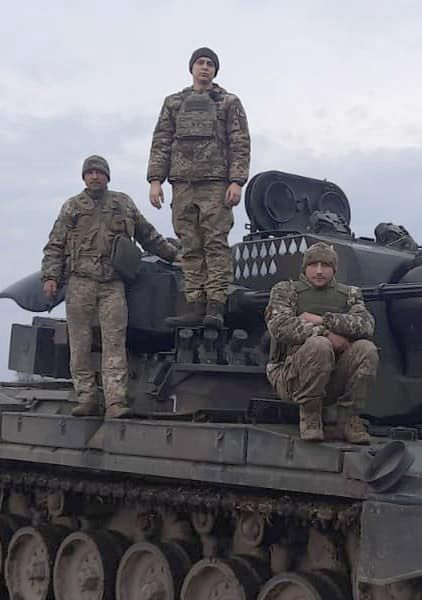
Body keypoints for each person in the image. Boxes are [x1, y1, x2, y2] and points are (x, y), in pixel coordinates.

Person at [42, 155, 178, 418]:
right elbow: (55, 245)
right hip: (80, 283)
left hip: (112, 285)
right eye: (90, 172)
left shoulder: (122, 203)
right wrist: (50, 278)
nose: (95, 176)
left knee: (115, 345)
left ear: (107, 176)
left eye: (99, 172)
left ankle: (116, 402)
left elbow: (148, 236)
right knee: (80, 346)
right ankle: (87, 398)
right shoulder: (72, 207)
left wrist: (175, 255)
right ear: (84, 177)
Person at [148, 46, 251, 329]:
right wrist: (156, 181)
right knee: (190, 246)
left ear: (215, 71)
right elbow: (162, 142)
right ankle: (195, 304)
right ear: (191, 68)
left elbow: (240, 143)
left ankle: (215, 306)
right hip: (182, 184)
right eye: (200, 63)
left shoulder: (228, 102)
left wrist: (236, 181)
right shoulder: (174, 103)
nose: (204, 67)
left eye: (210, 64)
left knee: (216, 244)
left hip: (216, 185)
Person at [265, 242, 379, 443]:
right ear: (305, 267)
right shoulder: (286, 290)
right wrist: (327, 334)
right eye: (313, 265)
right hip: (291, 376)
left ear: (334, 269)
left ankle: (349, 418)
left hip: (333, 376)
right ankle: (310, 415)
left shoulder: (349, 294)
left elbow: (365, 325)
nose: (319, 271)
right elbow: (281, 327)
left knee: (366, 349)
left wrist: (323, 319)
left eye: (325, 265)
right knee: (319, 345)